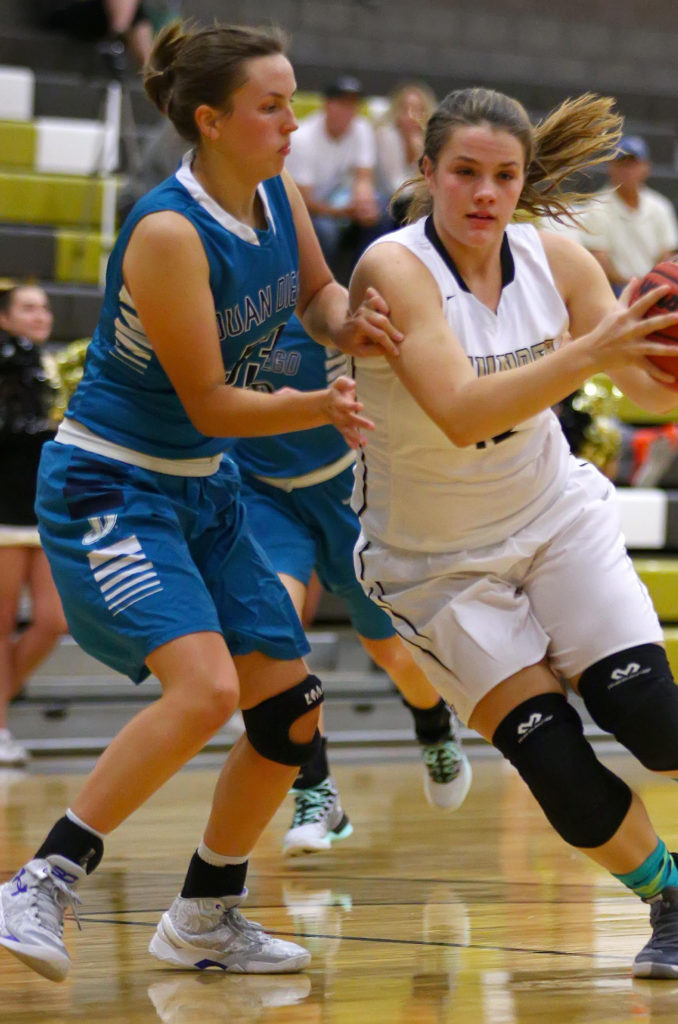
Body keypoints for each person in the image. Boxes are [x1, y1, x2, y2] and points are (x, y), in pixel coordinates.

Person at [348, 88, 678, 980]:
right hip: (435, 562)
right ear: (428, 172)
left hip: (552, 516)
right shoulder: (392, 270)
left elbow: (646, 395)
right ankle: (675, 900)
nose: (485, 193)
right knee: (552, 761)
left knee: (649, 714)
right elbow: (456, 410)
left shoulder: (555, 257)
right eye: (465, 172)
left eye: (504, 175)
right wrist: (592, 352)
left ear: (524, 182)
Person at [0, 20, 404, 984]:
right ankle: (42, 880)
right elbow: (212, 400)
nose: (294, 123)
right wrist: (320, 401)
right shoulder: (171, 232)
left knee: (291, 715)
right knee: (208, 689)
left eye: (294, 101)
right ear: (213, 121)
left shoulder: (280, 196)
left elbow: (318, 303)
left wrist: (360, 324)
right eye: (273, 106)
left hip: (203, 487)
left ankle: (207, 914)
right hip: (113, 484)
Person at [232, 313, 472, 857]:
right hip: (262, 494)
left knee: (391, 651)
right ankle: (316, 790)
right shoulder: (219, 311)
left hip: (346, 486)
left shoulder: (328, 312)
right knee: (269, 638)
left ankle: (433, 724)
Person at [0, 285, 68, 767]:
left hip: (45, 507)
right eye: (27, 307)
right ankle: (0, 728)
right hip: (4, 504)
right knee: (1, 624)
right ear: (4, 318)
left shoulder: (59, 366)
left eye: (44, 307)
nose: (39, 314)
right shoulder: (6, 364)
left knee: (53, 620)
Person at [285, 76, 386, 281]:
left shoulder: (361, 127)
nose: (347, 111)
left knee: (382, 211)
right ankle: (321, 288)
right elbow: (303, 201)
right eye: (341, 103)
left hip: (335, 198)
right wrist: (344, 212)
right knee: (325, 231)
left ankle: (366, 280)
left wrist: (363, 203)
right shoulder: (302, 137)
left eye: (352, 104)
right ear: (327, 105)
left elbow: (363, 177)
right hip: (308, 207)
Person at [576, 135, 678, 295]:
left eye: (633, 164)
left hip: (653, 287)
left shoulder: (661, 206)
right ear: (610, 167)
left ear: (646, 167)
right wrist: (632, 288)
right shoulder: (596, 206)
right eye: (621, 164)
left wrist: (649, 285)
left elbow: (668, 254)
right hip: (612, 289)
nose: (627, 171)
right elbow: (599, 258)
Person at [375, 82, 437, 214]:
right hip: (387, 198)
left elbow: (431, 182)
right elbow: (393, 186)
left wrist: (419, 153)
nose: (411, 116)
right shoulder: (386, 136)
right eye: (405, 110)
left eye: (418, 110)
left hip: (415, 199)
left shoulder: (432, 140)